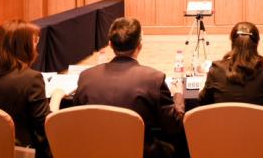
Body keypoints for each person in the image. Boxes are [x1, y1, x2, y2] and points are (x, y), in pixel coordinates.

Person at [74, 17, 185, 158]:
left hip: (96, 152)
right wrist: (178, 94)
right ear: (140, 45)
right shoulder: (154, 79)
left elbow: (77, 119)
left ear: (110, 45)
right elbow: (174, 126)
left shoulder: (86, 77)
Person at [0, 19, 56, 158]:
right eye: (35, 41)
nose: (36, 46)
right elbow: (46, 126)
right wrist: (56, 98)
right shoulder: (32, 79)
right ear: (24, 47)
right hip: (21, 152)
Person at [198, 21, 263, 109]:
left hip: (224, 118)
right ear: (257, 42)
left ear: (232, 42)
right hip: (259, 118)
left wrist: (205, 81)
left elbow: (203, 100)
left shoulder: (216, 70)